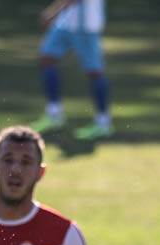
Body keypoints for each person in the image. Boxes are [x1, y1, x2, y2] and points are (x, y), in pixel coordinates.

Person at [31, 0, 113, 140]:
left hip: (85, 24)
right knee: (47, 59)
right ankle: (54, 114)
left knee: (94, 72)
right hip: (67, 22)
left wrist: (52, 13)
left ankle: (103, 123)